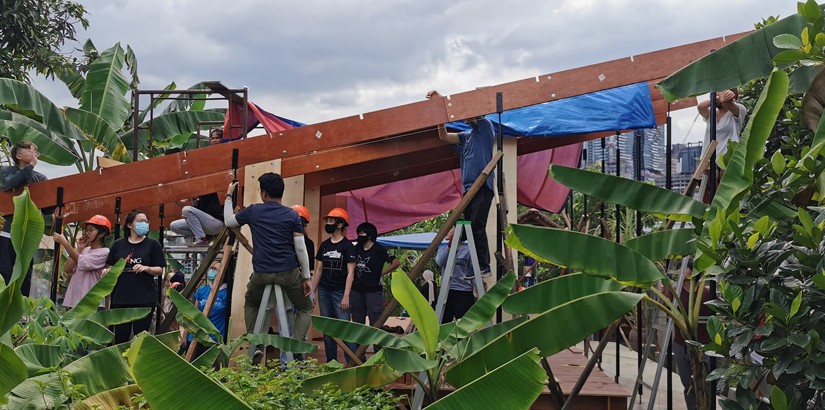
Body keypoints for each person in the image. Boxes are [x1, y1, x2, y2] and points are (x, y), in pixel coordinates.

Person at [223, 173, 313, 361]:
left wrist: (229, 195)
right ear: (282, 192)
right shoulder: (292, 216)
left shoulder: (254, 211)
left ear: (263, 193)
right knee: (305, 307)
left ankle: (257, 344)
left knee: (251, 302)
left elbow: (228, 222)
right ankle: (296, 345)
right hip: (288, 274)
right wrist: (306, 277)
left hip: (261, 274)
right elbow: (300, 249)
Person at [427, 90, 494, 277]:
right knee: (469, 228)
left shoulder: (486, 127)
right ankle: (477, 265)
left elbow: (472, 113)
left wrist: (441, 99)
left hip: (482, 186)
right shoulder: (465, 137)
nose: (464, 118)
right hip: (468, 190)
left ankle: (484, 267)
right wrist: (440, 115)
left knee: (477, 226)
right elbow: (443, 136)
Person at [105, 209, 166, 344]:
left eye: (146, 221)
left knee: (140, 338)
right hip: (121, 298)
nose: (144, 224)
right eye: (140, 221)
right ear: (129, 225)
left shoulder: (153, 244)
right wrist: (107, 272)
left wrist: (147, 268)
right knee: (121, 337)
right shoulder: (118, 244)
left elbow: (160, 269)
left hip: (144, 298)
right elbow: (109, 266)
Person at [1, 141, 48, 296]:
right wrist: (30, 167)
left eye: (36, 150)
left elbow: (48, 208)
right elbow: (10, 184)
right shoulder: (5, 171)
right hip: (6, 233)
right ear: (18, 155)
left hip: (28, 234)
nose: (35, 152)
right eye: (31, 150)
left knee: (24, 274)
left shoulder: (40, 178)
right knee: (6, 270)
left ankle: (21, 309)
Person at [312, 207, 356, 363]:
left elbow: (351, 273)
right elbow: (318, 270)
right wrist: (313, 292)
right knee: (327, 328)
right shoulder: (324, 245)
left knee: (344, 329)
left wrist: (346, 296)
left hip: (339, 292)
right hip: (324, 291)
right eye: (328, 220)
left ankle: (352, 362)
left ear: (340, 225)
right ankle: (331, 363)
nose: (328, 223)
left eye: (331, 220)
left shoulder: (348, 247)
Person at [667, 258, 712, 410]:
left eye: (684, 268)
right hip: (680, 344)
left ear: (693, 271)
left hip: (703, 345)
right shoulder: (674, 292)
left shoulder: (706, 293)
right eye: (679, 268)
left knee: (706, 384)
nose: (680, 271)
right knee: (688, 384)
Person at [351, 222, 399, 354]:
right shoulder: (356, 248)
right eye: (359, 233)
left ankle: (379, 354)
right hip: (356, 290)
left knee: (376, 322)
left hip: (373, 291)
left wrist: (382, 273)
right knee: (357, 322)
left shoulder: (379, 249)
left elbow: (396, 262)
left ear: (370, 235)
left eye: (362, 233)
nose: (360, 235)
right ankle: (358, 355)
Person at [170, 132, 224, 247]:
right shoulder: (195, 190)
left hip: (216, 223)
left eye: (217, 138)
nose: (214, 140)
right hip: (205, 225)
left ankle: (201, 238)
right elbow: (182, 203)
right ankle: (203, 238)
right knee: (174, 225)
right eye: (212, 138)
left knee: (187, 210)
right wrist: (171, 195)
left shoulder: (210, 185)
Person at [54, 215, 111, 309]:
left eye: (91, 230)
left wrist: (64, 242)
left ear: (102, 234)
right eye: (86, 230)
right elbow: (67, 268)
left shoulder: (104, 252)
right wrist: (79, 248)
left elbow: (81, 261)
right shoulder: (84, 250)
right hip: (75, 302)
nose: (87, 233)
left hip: (92, 304)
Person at [186, 261, 229, 358]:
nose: (212, 271)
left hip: (214, 339)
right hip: (196, 336)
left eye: (215, 269)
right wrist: (185, 335)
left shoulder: (227, 293)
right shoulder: (202, 290)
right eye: (211, 268)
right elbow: (192, 314)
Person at [435, 227, 476, 323]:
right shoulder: (442, 249)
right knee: (443, 323)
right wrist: (449, 247)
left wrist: (477, 287)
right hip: (447, 291)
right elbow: (440, 262)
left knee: (463, 324)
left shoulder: (468, 250)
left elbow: (473, 271)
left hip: (464, 291)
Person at [698, 88, 747, 160]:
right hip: (709, 161)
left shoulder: (739, 110)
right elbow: (700, 107)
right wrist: (716, 99)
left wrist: (721, 96)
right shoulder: (711, 113)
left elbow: (723, 100)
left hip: (728, 160)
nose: (718, 95)